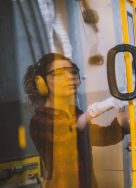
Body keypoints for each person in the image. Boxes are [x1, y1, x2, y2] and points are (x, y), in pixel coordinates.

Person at [23, 53, 129, 188]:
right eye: (58, 73)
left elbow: (100, 137)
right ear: (41, 83)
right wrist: (96, 109)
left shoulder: (75, 113)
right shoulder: (39, 122)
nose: (69, 78)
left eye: (71, 72)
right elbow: (67, 134)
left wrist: (121, 122)